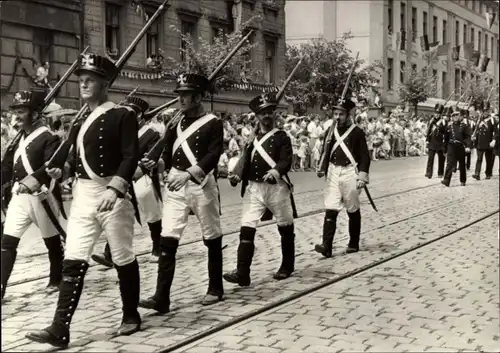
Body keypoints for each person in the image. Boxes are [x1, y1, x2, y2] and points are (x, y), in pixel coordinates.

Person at [26, 53, 141, 348]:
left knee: (122, 256)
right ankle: (59, 328)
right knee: (73, 259)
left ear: (106, 84)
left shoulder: (122, 115)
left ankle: (130, 315)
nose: (84, 85)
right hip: (84, 196)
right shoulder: (80, 121)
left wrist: (115, 189)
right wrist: (60, 170)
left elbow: (131, 156)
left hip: (111, 195)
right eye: (82, 80)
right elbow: (75, 161)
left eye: (91, 80)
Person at [138, 73, 224, 313]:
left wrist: (190, 174)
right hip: (176, 184)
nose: (181, 99)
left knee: (211, 236)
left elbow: (212, 155)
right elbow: (168, 148)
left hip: (201, 184)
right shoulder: (175, 122)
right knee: (168, 238)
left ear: (198, 97)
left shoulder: (213, 122)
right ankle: (161, 297)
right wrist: (158, 164)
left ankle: (215, 288)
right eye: (180, 94)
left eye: (186, 95)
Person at [224, 92, 296, 287]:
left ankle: (287, 265)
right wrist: (237, 175)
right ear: (256, 116)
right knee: (246, 228)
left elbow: (286, 160)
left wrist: (276, 171)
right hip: (254, 188)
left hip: (276, 188)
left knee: (285, 227)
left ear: (274, 114)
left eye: (270, 112)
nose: (266, 116)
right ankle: (242, 273)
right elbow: (245, 161)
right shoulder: (252, 140)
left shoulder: (282, 137)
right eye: (262, 113)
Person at [1, 90, 64, 301]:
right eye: (15, 111)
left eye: (22, 111)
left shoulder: (48, 137)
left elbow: (51, 165)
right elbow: (9, 167)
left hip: (41, 195)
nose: (16, 115)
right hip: (19, 196)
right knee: (7, 242)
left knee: (52, 242)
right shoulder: (19, 138)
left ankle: (57, 278)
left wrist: (34, 179)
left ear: (35, 114)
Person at [91, 96, 163, 267]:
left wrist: (139, 169)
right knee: (116, 212)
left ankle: (158, 247)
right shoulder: (119, 131)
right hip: (121, 178)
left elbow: (152, 156)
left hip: (141, 176)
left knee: (151, 212)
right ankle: (110, 253)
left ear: (139, 116)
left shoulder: (152, 134)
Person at [315, 98, 370, 257]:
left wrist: (362, 176)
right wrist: (321, 167)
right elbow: (325, 150)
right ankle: (326, 246)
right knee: (330, 208)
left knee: (352, 208)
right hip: (333, 171)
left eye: (341, 114)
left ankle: (353, 243)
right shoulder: (330, 131)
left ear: (348, 114)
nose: (337, 117)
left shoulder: (357, 132)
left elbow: (365, 157)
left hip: (350, 172)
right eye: (335, 113)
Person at [441, 108, 472, 187]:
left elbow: (468, 137)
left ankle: (463, 180)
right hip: (451, 146)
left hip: (460, 146)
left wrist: (468, 146)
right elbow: (446, 138)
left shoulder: (464, 126)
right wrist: (444, 149)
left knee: (462, 165)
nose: (455, 117)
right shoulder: (449, 126)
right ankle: (446, 180)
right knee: (449, 163)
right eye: (453, 115)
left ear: (460, 116)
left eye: (457, 115)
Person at [472, 110, 496, 180]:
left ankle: (488, 173)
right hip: (480, 142)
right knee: (479, 158)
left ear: (488, 112)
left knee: (488, 159)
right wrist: (474, 136)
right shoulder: (479, 119)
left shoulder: (492, 119)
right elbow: (476, 129)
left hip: (488, 142)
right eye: (484, 111)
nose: (485, 112)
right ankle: (477, 174)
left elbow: (496, 131)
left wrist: (494, 140)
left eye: (486, 111)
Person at [425, 104, 447, 179]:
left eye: (438, 113)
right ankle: (429, 173)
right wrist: (427, 140)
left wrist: (440, 126)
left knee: (441, 159)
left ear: (440, 114)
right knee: (430, 159)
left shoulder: (443, 121)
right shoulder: (431, 120)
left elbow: (445, 131)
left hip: (440, 143)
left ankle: (440, 173)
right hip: (432, 142)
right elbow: (428, 131)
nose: (436, 115)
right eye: (435, 113)